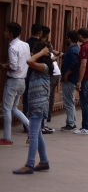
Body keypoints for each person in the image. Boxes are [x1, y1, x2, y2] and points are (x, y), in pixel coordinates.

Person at [12, 41, 52, 174]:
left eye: (34, 51)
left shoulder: (44, 66)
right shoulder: (39, 67)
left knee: (33, 134)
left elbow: (29, 61)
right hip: (36, 104)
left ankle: (29, 164)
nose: (31, 53)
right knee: (37, 133)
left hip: (39, 105)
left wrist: (41, 52)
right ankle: (44, 161)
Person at [0, 22, 30, 146]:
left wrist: (3, 67)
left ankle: (7, 138)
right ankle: (32, 129)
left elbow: (13, 66)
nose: (4, 33)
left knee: (7, 109)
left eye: (6, 31)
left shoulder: (12, 48)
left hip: (13, 80)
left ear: (11, 34)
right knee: (14, 108)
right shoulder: (25, 45)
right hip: (22, 80)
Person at [74, 28, 88, 135]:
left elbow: (83, 65)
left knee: (84, 103)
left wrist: (79, 81)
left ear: (80, 35)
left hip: (87, 78)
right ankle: (86, 127)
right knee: (85, 102)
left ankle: (86, 127)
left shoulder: (85, 48)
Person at [20, 24, 42, 127]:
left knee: (26, 99)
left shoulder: (26, 43)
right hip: (37, 75)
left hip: (26, 73)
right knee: (37, 100)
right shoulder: (40, 46)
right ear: (40, 33)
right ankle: (35, 124)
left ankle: (26, 124)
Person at [59, 31, 80, 132]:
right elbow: (64, 56)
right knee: (70, 101)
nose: (66, 40)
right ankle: (72, 121)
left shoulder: (72, 51)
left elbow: (74, 64)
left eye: (67, 38)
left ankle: (70, 123)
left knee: (68, 102)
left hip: (70, 79)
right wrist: (54, 52)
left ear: (70, 39)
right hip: (72, 79)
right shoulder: (73, 49)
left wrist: (66, 74)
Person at [42, 36, 59, 134]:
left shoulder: (47, 54)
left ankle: (45, 118)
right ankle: (48, 116)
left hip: (53, 75)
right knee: (51, 96)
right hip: (57, 74)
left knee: (47, 96)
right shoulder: (50, 53)